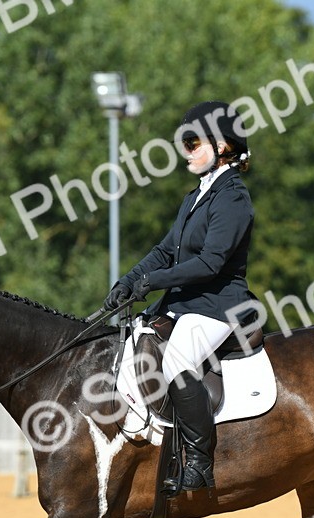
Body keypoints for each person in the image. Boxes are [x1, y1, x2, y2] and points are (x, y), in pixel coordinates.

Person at [103, 100, 256, 497]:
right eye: (184, 143)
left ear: (222, 146)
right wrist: (129, 280)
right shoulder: (195, 197)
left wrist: (153, 281)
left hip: (218, 304)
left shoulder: (233, 197)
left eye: (192, 142)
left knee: (177, 360)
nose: (185, 150)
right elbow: (165, 249)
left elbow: (210, 263)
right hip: (184, 303)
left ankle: (200, 462)